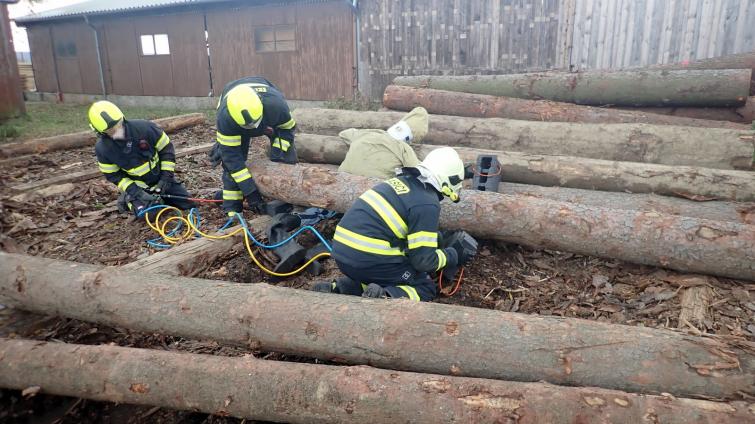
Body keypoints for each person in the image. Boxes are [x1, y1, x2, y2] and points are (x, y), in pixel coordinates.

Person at [314, 147, 477, 301]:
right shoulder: (427, 204)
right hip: (367, 258)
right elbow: (423, 261)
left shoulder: (401, 182)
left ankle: (339, 288)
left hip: (343, 253)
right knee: (424, 287)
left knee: (383, 274)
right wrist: (451, 255)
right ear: (448, 183)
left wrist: (436, 238)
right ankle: (385, 296)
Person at [89, 100, 194, 218]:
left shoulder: (145, 128)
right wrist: (137, 192)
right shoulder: (103, 149)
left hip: (160, 179)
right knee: (152, 215)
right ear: (100, 132)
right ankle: (128, 199)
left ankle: (161, 198)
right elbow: (114, 176)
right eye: (111, 130)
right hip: (138, 187)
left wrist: (166, 179)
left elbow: (167, 150)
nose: (117, 130)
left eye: (119, 124)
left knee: (188, 203)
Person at [211, 76, 297, 216]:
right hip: (236, 125)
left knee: (285, 155)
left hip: (266, 117)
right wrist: (251, 193)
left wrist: (278, 152)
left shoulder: (276, 106)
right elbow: (234, 162)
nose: (252, 129)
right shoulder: (225, 118)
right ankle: (232, 209)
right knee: (231, 165)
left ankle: (289, 199)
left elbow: (287, 129)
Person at [337, 106, 428, 179]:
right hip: (372, 188)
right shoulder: (404, 149)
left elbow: (343, 134)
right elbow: (420, 172)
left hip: (340, 178)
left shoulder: (369, 133)